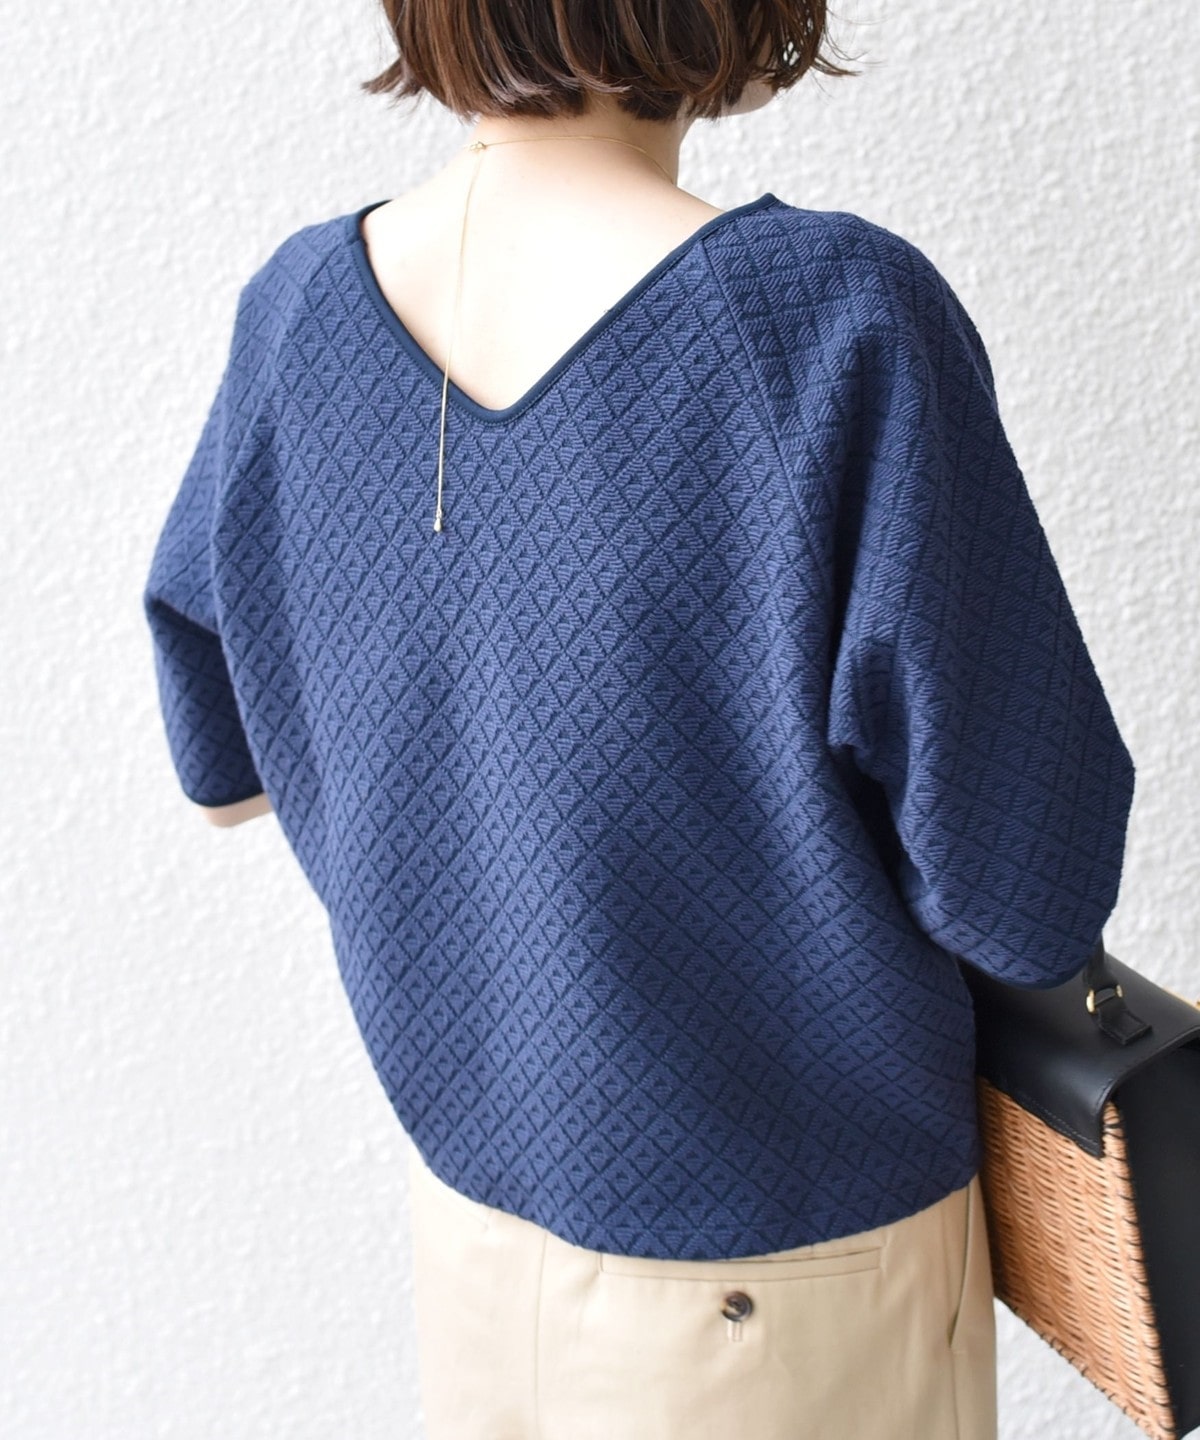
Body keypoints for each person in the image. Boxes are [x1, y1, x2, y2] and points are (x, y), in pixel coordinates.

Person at [141, 2, 1136, 1436]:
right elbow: (1024, 891)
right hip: (789, 1284)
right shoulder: (830, 317)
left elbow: (223, 764)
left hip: (476, 1247)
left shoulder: (296, 310)